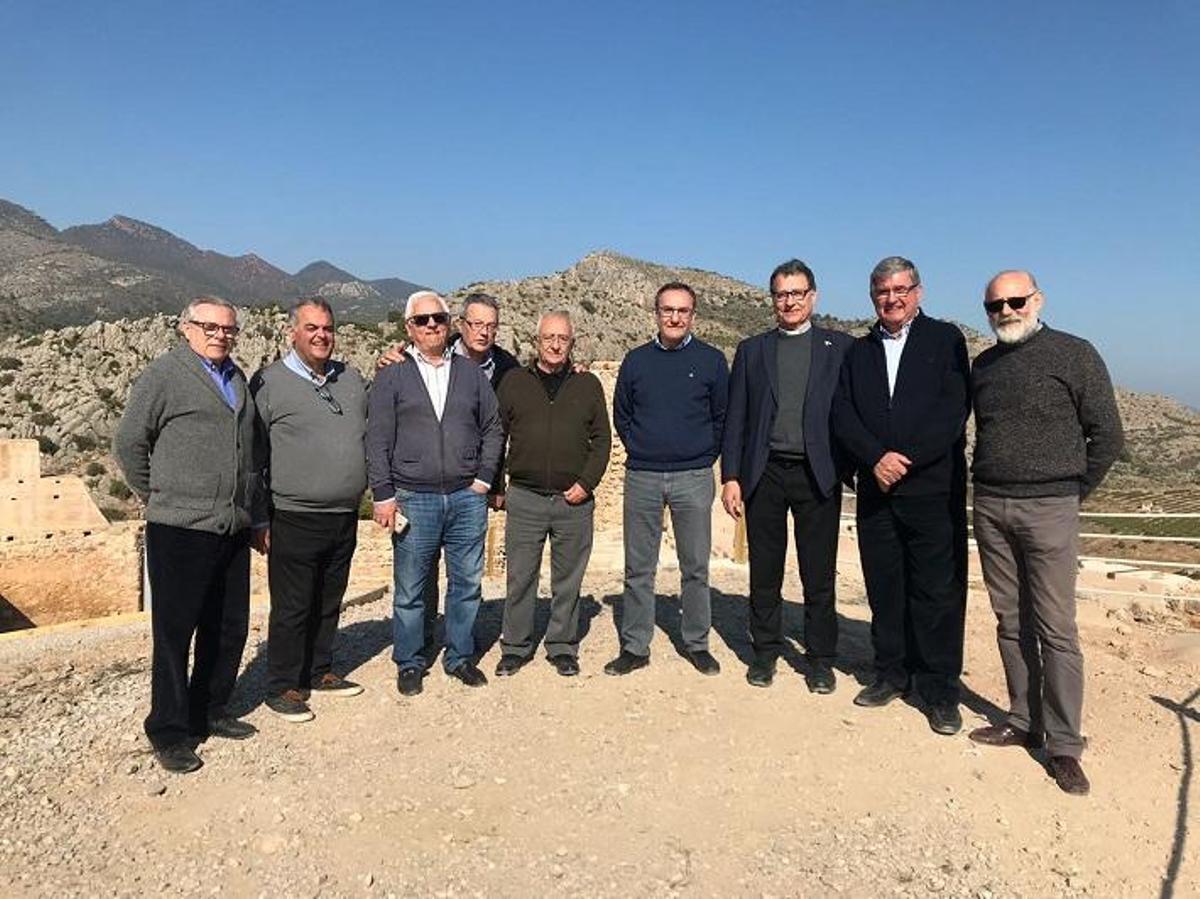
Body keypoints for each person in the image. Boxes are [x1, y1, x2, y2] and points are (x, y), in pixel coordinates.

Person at [969, 270, 1123, 795]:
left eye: (1015, 301)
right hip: (990, 503)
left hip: (1051, 506)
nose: (1006, 311)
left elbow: (1107, 432)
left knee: (1056, 628)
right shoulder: (984, 366)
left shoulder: (1075, 354)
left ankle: (1063, 745)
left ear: (1037, 300)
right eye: (995, 305)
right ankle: (1022, 719)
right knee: (1009, 620)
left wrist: (1070, 492)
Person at [114, 296, 259, 774]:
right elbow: (130, 441)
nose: (220, 335)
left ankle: (210, 709)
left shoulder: (236, 377)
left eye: (228, 328)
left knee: (228, 625)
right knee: (175, 632)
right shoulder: (165, 375)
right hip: (179, 526)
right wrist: (158, 495)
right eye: (210, 327)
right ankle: (170, 730)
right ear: (186, 328)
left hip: (231, 524)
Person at [832, 257, 970, 735]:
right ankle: (891, 673)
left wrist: (902, 459)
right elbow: (843, 413)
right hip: (877, 489)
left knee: (936, 591)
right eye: (882, 292)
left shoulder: (945, 339)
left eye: (900, 289)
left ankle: (938, 690)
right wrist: (875, 459)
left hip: (931, 488)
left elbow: (952, 412)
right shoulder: (859, 351)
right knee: (885, 587)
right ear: (873, 297)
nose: (892, 299)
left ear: (918, 291)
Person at [721, 260, 853, 690]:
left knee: (819, 573)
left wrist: (849, 469)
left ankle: (819, 659)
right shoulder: (752, 351)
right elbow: (736, 417)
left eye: (797, 293)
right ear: (772, 300)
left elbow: (853, 413)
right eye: (781, 294)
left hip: (818, 474)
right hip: (765, 474)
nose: (789, 301)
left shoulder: (841, 349)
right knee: (765, 570)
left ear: (813, 296)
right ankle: (764, 653)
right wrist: (732, 476)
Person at [366, 290, 503, 695]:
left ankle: (459, 656)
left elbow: (493, 427)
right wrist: (383, 494)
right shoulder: (392, 374)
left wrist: (484, 479)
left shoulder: (470, 373)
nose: (431, 326)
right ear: (409, 327)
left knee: (467, 583)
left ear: (449, 324)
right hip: (413, 496)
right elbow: (377, 437)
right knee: (410, 587)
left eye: (438, 319)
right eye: (422, 320)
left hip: (466, 496)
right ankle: (410, 660)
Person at [249, 298, 368, 724]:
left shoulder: (350, 379)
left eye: (328, 328)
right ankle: (282, 684)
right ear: (293, 333)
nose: (321, 335)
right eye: (312, 328)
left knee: (328, 599)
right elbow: (253, 455)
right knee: (293, 605)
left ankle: (319, 670)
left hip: (344, 513)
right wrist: (258, 517)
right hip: (293, 514)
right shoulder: (268, 383)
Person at [607, 281, 729, 676]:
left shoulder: (711, 361)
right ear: (656, 313)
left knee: (695, 566)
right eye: (667, 310)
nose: (674, 317)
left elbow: (721, 417)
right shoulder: (636, 361)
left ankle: (696, 643)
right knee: (639, 567)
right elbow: (622, 414)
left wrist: (701, 456)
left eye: (682, 311)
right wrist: (643, 448)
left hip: (693, 475)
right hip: (642, 474)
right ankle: (635, 646)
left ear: (693, 315)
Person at [493, 311, 611, 677]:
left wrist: (586, 483)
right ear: (537, 341)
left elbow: (602, 440)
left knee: (568, 579)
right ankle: (515, 646)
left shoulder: (587, 384)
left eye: (563, 338)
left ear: (572, 343)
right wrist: (497, 487)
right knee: (520, 576)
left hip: (573, 499)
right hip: (525, 497)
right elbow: (496, 436)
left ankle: (562, 646)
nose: (556, 345)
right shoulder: (513, 382)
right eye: (549, 338)